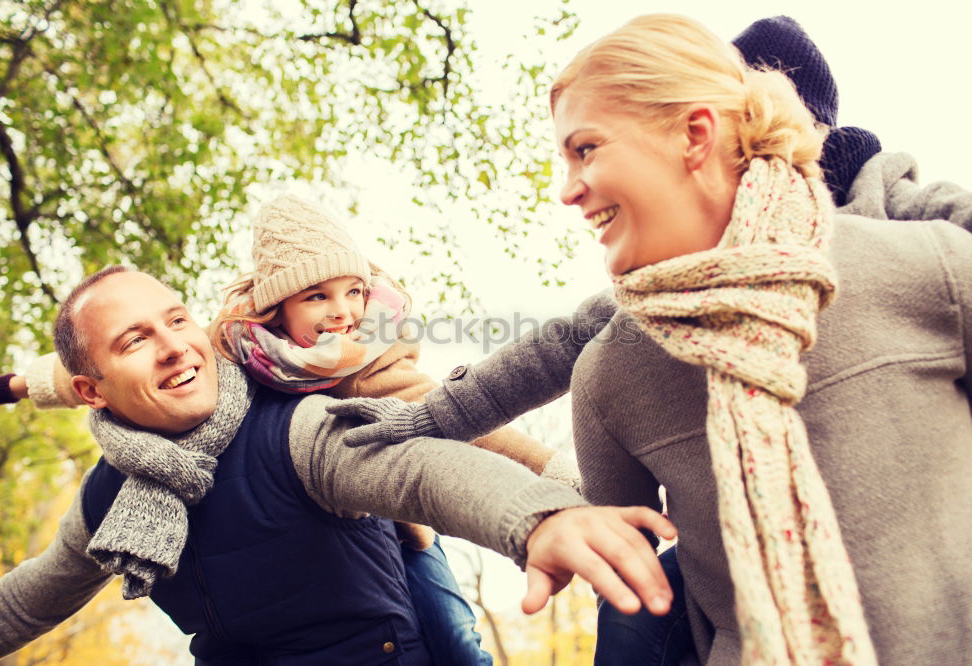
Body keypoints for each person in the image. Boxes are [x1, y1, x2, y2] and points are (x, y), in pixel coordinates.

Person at [328, 13, 972, 665]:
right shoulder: (611, 366)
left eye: (586, 149)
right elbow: (546, 374)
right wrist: (427, 426)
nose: (566, 190)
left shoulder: (926, 261)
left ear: (697, 134)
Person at [0, 194, 582, 664]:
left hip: (393, 583)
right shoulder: (229, 353)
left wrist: (543, 508)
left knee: (454, 634)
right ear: (92, 391)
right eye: (136, 339)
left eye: (176, 321)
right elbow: (29, 598)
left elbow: (434, 458)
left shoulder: (329, 404)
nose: (173, 348)